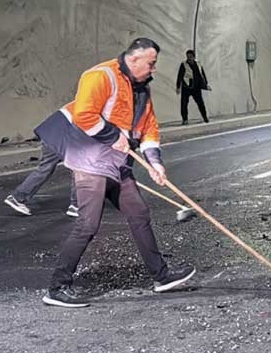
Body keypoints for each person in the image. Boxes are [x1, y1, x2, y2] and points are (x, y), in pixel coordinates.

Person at [34, 37, 196, 308]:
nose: (154, 69)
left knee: (139, 213)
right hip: (91, 162)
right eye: (151, 63)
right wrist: (114, 136)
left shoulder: (142, 88)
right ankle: (57, 287)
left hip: (117, 164)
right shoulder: (100, 76)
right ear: (134, 59)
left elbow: (149, 128)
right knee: (88, 223)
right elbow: (85, 114)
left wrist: (155, 162)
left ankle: (162, 276)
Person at [4, 121, 80, 218]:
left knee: (45, 168)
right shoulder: (94, 108)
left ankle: (18, 197)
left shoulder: (77, 106)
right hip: (64, 139)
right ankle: (76, 205)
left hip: (52, 137)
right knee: (79, 169)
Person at [176, 50, 211, 126]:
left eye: (190, 56)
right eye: (188, 56)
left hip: (196, 87)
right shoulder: (183, 64)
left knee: (200, 103)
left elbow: (202, 74)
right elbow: (180, 76)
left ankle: (205, 117)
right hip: (186, 87)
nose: (189, 58)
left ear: (194, 57)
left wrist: (206, 84)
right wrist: (178, 87)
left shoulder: (198, 64)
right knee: (184, 104)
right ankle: (185, 119)